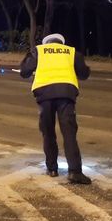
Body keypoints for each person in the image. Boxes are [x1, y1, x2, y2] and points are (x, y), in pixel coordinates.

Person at [19, 33, 92, 184]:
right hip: (66, 94)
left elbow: (24, 72)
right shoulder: (71, 52)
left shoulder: (39, 51)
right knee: (69, 133)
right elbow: (84, 74)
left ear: (48, 43)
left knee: (48, 132)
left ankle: (52, 168)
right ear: (61, 43)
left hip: (44, 94)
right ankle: (75, 172)